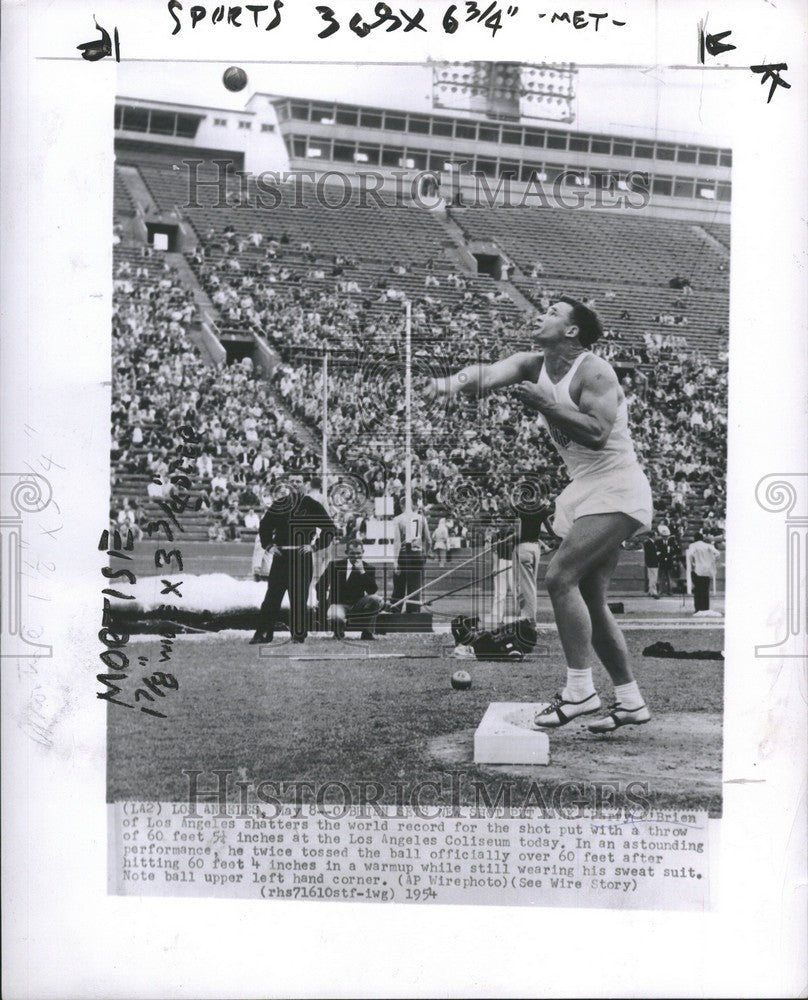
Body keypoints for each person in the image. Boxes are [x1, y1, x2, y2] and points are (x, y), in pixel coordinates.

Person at [428, 296, 653, 732]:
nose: (541, 314)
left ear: (572, 331)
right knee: (591, 597)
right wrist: (447, 384)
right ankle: (629, 701)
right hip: (588, 487)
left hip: (617, 485)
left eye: (552, 312)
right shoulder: (534, 362)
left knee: (559, 577)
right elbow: (489, 374)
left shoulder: (594, 370)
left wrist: (547, 405)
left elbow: (597, 433)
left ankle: (580, 691)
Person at [251, 476, 336, 644]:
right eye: (293, 481)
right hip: (281, 558)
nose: (295, 484)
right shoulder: (280, 503)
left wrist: (315, 546)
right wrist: (269, 545)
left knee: (299, 598)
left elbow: (329, 528)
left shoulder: (312, 505)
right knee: (272, 598)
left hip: (301, 558)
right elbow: (265, 525)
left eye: (299, 481)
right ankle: (263, 633)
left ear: (305, 484)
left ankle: (298, 635)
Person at [324, 537, 384, 640]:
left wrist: (362, 572)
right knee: (335, 615)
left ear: (363, 552)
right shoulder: (334, 566)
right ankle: (339, 632)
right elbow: (320, 585)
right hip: (339, 604)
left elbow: (372, 590)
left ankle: (367, 633)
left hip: (357, 604)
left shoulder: (368, 568)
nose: (356, 556)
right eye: (352, 553)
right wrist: (324, 603)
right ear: (347, 552)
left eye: (358, 553)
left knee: (376, 599)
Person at [391, 493, 432, 614]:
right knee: (414, 587)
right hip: (417, 554)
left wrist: (395, 561)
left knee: (399, 585)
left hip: (403, 554)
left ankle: (395, 612)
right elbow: (429, 540)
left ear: (402, 505)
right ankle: (413, 612)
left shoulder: (398, 519)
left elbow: (397, 541)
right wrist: (426, 552)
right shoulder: (421, 518)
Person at [686, 532, 719, 613]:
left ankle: (698, 608)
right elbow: (717, 553)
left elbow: (689, 554)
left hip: (698, 569)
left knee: (698, 590)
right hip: (707, 570)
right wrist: (712, 561)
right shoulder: (708, 546)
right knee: (705, 590)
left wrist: (692, 563)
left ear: (695, 538)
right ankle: (705, 607)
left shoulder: (693, 545)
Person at [643, 528, 660, 598]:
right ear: (653, 536)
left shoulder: (648, 543)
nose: (656, 537)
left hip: (650, 562)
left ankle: (650, 591)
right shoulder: (649, 543)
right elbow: (651, 554)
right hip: (653, 562)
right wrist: (657, 554)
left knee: (651, 577)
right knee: (654, 578)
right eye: (655, 535)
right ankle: (653, 591)